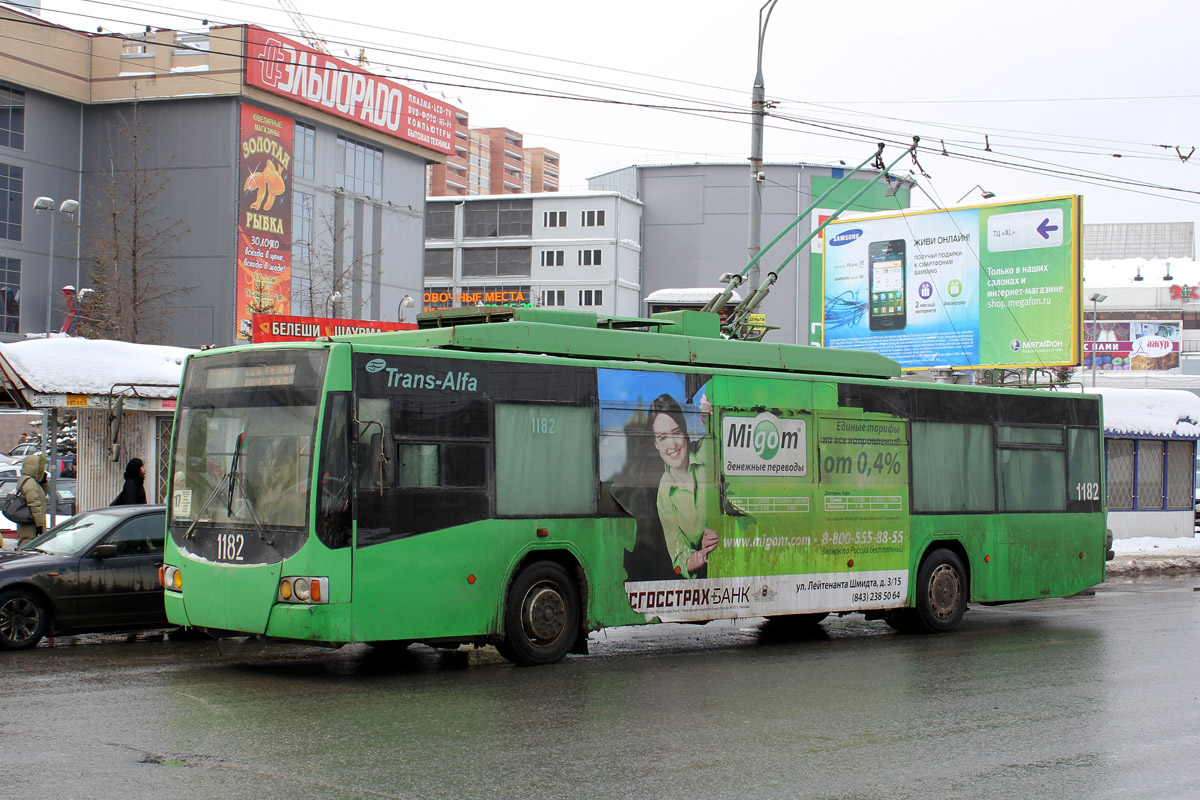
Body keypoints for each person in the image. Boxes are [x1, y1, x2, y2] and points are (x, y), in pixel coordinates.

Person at [649, 394, 718, 578]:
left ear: (685, 432)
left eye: (676, 432)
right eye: (663, 438)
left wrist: (711, 413)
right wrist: (700, 556)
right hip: (705, 579)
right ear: (656, 444)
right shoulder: (664, 492)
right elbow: (678, 553)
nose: (672, 445)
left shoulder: (707, 451)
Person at [16, 452, 46, 548]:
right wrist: (40, 524)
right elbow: (34, 503)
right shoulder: (30, 483)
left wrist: (43, 481)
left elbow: (42, 493)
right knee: (28, 542)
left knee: (28, 541)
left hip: (29, 519)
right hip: (30, 520)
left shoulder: (29, 481)